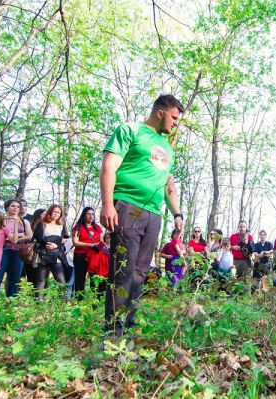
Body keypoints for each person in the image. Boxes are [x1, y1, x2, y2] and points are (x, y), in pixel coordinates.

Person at [100, 94, 184, 334]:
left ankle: (130, 324)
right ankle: (113, 332)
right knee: (123, 270)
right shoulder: (130, 130)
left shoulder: (167, 147)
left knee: (140, 273)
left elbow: (168, 184)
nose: (176, 123)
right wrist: (108, 204)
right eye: (174, 117)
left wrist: (176, 213)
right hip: (128, 207)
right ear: (161, 112)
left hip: (154, 214)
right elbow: (109, 166)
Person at [0, 199, 32, 297]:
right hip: (4, 250)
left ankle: (11, 301)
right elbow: (1, 236)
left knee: (15, 278)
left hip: (19, 251)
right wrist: (20, 235)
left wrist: (14, 238)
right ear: (7, 207)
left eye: (18, 206)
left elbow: (29, 236)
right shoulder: (3, 220)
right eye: (13, 206)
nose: (15, 208)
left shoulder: (24, 221)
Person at [31, 205, 70, 298]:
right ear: (50, 212)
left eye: (58, 213)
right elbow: (38, 237)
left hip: (56, 254)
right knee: (40, 280)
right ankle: (39, 303)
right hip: (42, 254)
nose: (56, 214)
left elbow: (65, 240)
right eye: (54, 212)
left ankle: (64, 303)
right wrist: (55, 240)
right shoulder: (42, 223)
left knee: (61, 280)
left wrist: (56, 244)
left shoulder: (61, 226)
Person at [71, 207, 103, 298]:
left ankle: (95, 299)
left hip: (95, 256)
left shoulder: (97, 228)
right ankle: (79, 299)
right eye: (88, 214)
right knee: (80, 278)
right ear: (84, 215)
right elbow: (75, 243)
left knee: (95, 278)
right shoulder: (78, 227)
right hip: (80, 255)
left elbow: (101, 242)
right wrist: (91, 245)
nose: (91, 216)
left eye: (92, 214)